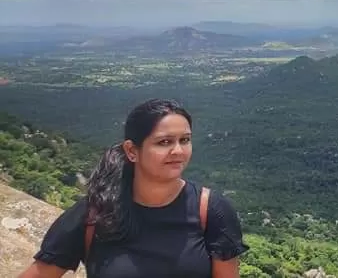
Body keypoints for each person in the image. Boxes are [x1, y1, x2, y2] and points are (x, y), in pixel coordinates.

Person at [16, 98, 248, 278]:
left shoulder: (210, 210)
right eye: (164, 142)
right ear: (132, 151)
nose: (178, 151)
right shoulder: (95, 214)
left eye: (184, 140)